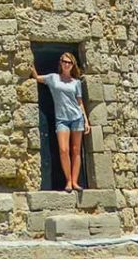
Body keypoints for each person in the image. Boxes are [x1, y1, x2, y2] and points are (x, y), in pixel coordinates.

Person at [31, 53, 91, 191]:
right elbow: (37, 78)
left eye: (69, 62)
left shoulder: (76, 83)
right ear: (61, 63)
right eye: (65, 61)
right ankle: (68, 181)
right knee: (64, 150)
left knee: (76, 151)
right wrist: (29, 63)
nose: (67, 64)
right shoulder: (53, 78)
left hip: (77, 118)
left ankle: (74, 182)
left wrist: (86, 121)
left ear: (73, 65)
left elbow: (80, 102)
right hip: (61, 120)